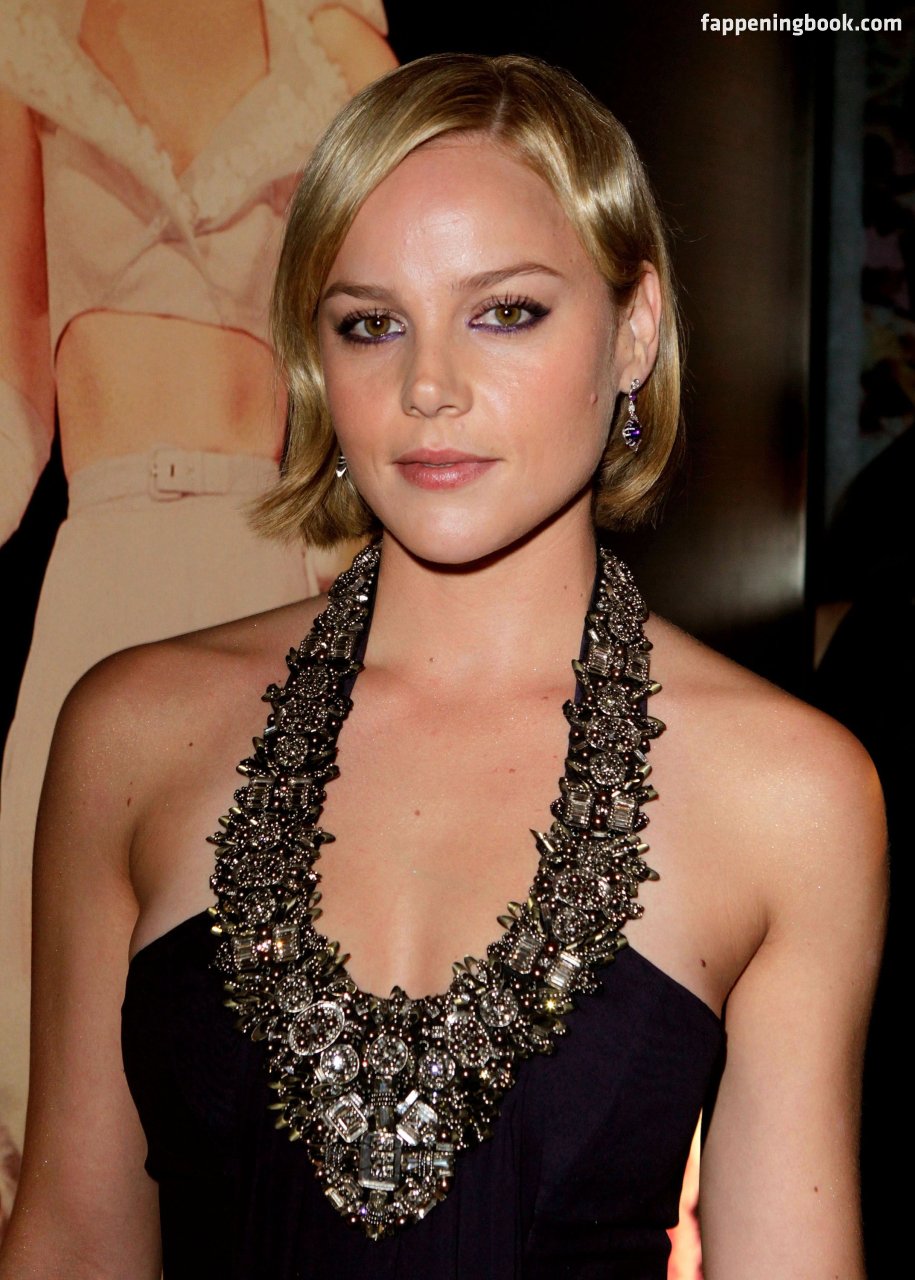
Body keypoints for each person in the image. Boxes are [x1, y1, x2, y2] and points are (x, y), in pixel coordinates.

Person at [0, 53, 886, 1279]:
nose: (428, 386)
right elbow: (72, 1237)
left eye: (505, 312)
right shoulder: (132, 731)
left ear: (634, 330)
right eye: (371, 323)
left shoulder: (789, 791)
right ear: (316, 359)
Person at [0, 0, 396, 1183]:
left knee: (263, 1018)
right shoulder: (27, 37)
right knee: (53, 1039)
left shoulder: (335, 46)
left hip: (269, 570)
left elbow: (386, 355)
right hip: (99, 580)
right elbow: (10, 373)